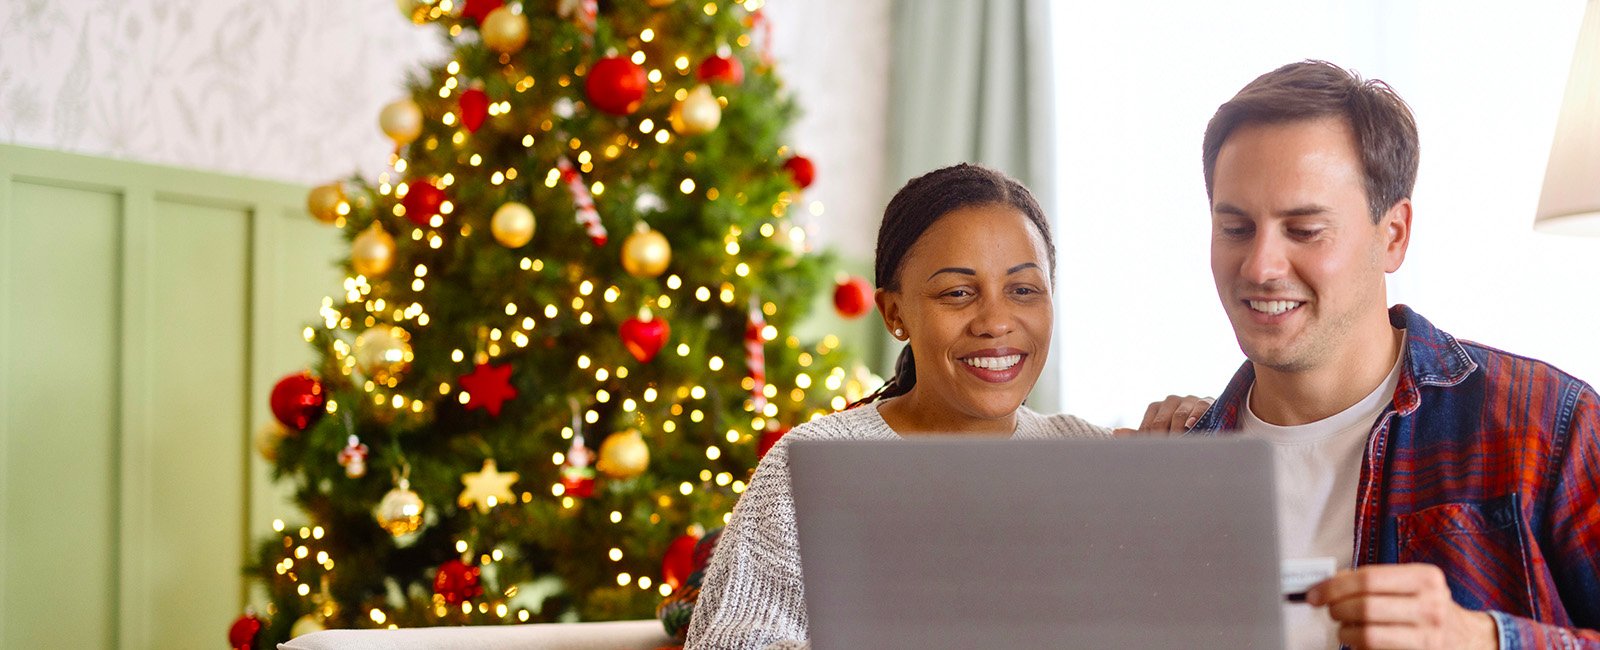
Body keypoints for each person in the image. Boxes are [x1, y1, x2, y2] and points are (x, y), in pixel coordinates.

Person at [683, 163, 1202, 649]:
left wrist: (1198, 455)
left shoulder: (1092, 458)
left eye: (1023, 289)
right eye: (957, 293)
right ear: (894, 313)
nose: (996, 321)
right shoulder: (814, 469)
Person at [1187, 60, 1600, 649]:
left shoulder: (1545, 426)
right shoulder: (1180, 468)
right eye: (1235, 229)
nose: (1260, 267)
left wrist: (1478, 639)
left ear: (1394, 234)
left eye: (1304, 230)